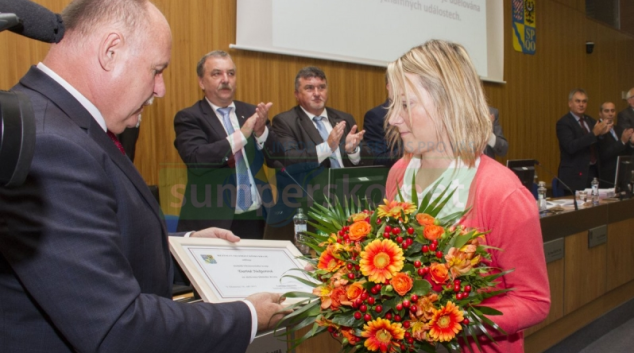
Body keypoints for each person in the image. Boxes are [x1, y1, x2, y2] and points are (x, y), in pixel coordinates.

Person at [0, 1, 286, 352]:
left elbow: (90, 245)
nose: (160, 89)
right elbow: (118, 327)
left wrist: (186, 245)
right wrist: (247, 315)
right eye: (156, 70)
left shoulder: (67, 123)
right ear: (110, 51)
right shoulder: (50, 142)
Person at [383, 40, 550, 352]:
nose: (393, 119)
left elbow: (533, 300)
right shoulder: (399, 174)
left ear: (448, 102)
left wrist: (453, 325)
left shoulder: (500, 192)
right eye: (393, 104)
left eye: (406, 105)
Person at [174, 50, 276, 239]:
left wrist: (261, 133)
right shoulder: (190, 117)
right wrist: (242, 135)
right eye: (216, 74)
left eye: (231, 73)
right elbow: (197, 159)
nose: (225, 79)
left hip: (258, 217)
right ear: (201, 82)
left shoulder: (251, 112)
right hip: (213, 222)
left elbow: (275, 159)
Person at [271, 66, 372, 168]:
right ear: (296, 94)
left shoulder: (344, 118)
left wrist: (353, 151)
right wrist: (327, 147)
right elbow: (290, 159)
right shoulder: (285, 122)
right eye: (309, 88)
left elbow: (368, 161)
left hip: (349, 182)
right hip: (311, 183)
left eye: (321, 87)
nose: (317, 93)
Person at [556, 88, 611, 193]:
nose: (581, 104)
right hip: (574, 177)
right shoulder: (564, 123)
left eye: (584, 101)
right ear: (570, 103)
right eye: (578, 101)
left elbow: (597, 146)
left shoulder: (590, 120)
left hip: (592, 173)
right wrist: (594, 133)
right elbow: (570, 146)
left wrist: (602, 135)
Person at [363, 81, 401, 167]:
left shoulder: (419, 111)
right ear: (388, 86)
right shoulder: (375, 115)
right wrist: (410, 150)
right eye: (399, 82)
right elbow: (375, 158)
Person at [597, 101, 634, 187]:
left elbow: (625, 152)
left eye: (612, 111)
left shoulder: (619, 129)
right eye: (607, 111)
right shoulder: (597, 130)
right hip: (606, 176)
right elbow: (603, 154)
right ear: (600, 113)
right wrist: (622, 142)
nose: (610, 114)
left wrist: (631, 143)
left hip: (622, 174)